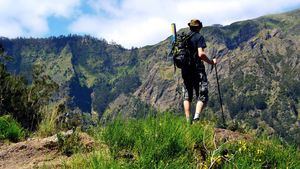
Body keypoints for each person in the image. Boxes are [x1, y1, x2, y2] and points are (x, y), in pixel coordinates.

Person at [182, 19, 217, 124]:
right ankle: (196, 118)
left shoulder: (184, 39)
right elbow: (200, 54)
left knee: (187, 96)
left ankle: (188, 121)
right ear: (199, 27)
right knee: (202, 95)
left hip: (185, 70)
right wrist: (211, 62)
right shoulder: (199, 37)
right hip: (197, 70)